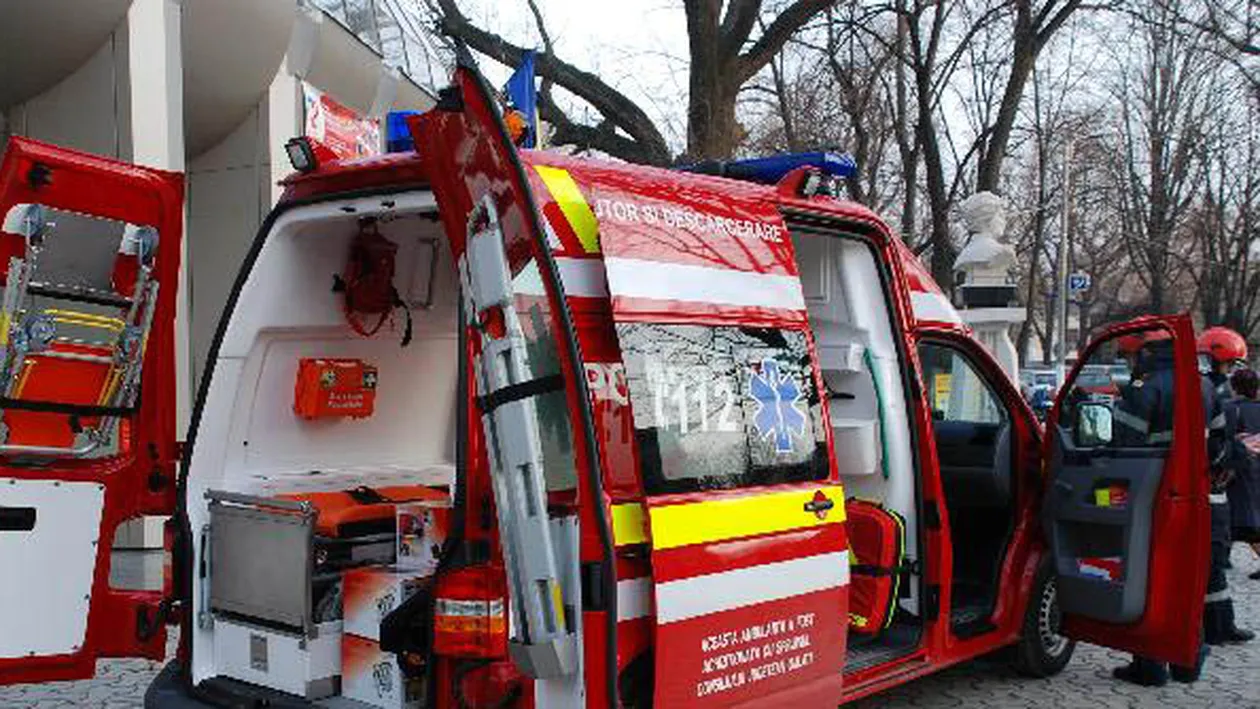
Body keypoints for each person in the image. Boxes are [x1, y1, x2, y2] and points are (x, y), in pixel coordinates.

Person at [1110, 329, 1227, 686]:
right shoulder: (1205, 387)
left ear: (1147, 355)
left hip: (1154, 499)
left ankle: (1149, 666)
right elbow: (1221, 443)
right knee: (1185, 581)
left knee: (1150, 581)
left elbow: (1124, 446)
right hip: (1195, 499)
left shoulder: (1149, 390)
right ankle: (1189, 659)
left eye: (1134, 357)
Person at [1195, 327, 1255, 644]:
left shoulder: (1199, 390)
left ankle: (1215, 624)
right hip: (1211, 491)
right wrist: (1242, 453)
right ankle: (1218, 627)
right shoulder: (1217, 396)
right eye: (1232, 365)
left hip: (1201, 489)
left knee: (1211, 562)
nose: (1233, 372)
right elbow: (1218, 449)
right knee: (1214, 560)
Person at [1227, 367, 1260, 580]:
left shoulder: (1230, 409)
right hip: (1256, 469)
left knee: (1239, 517)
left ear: (1234, 387)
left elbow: (1223, 439)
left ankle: (1220, 557)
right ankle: (1221, 557)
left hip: (1240, 470)